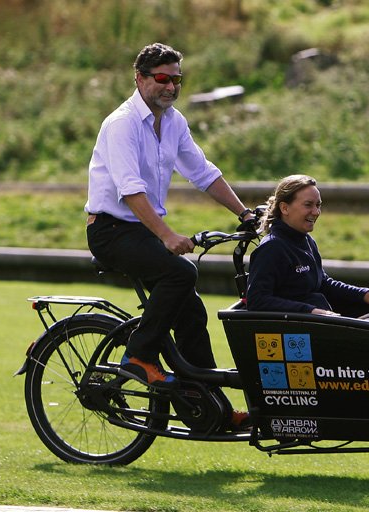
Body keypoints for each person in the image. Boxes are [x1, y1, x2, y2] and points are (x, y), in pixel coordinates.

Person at [83, 43, 254, 428]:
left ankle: (207, 409)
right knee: (181, 273)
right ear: (140, 78)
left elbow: (203, 172)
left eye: (177, 79)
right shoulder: (122, 123)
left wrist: (244, 214)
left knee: (192, 311)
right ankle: (139, 356)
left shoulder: (174, 122)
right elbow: (130, 189)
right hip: (112, 231)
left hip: (142, 231)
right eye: (162, 78)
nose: (171, 87)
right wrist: (166, 235)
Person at [246, 174, 369, 326]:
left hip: (327, 321)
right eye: (308, 205)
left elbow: (323, 283)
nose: (316, 212)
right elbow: (257, 300)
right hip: (309, 331)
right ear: (284, 208)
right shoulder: (272, 248)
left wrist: (362, 294)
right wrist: (309, 311)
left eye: (318, 205)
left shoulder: (306, 241)